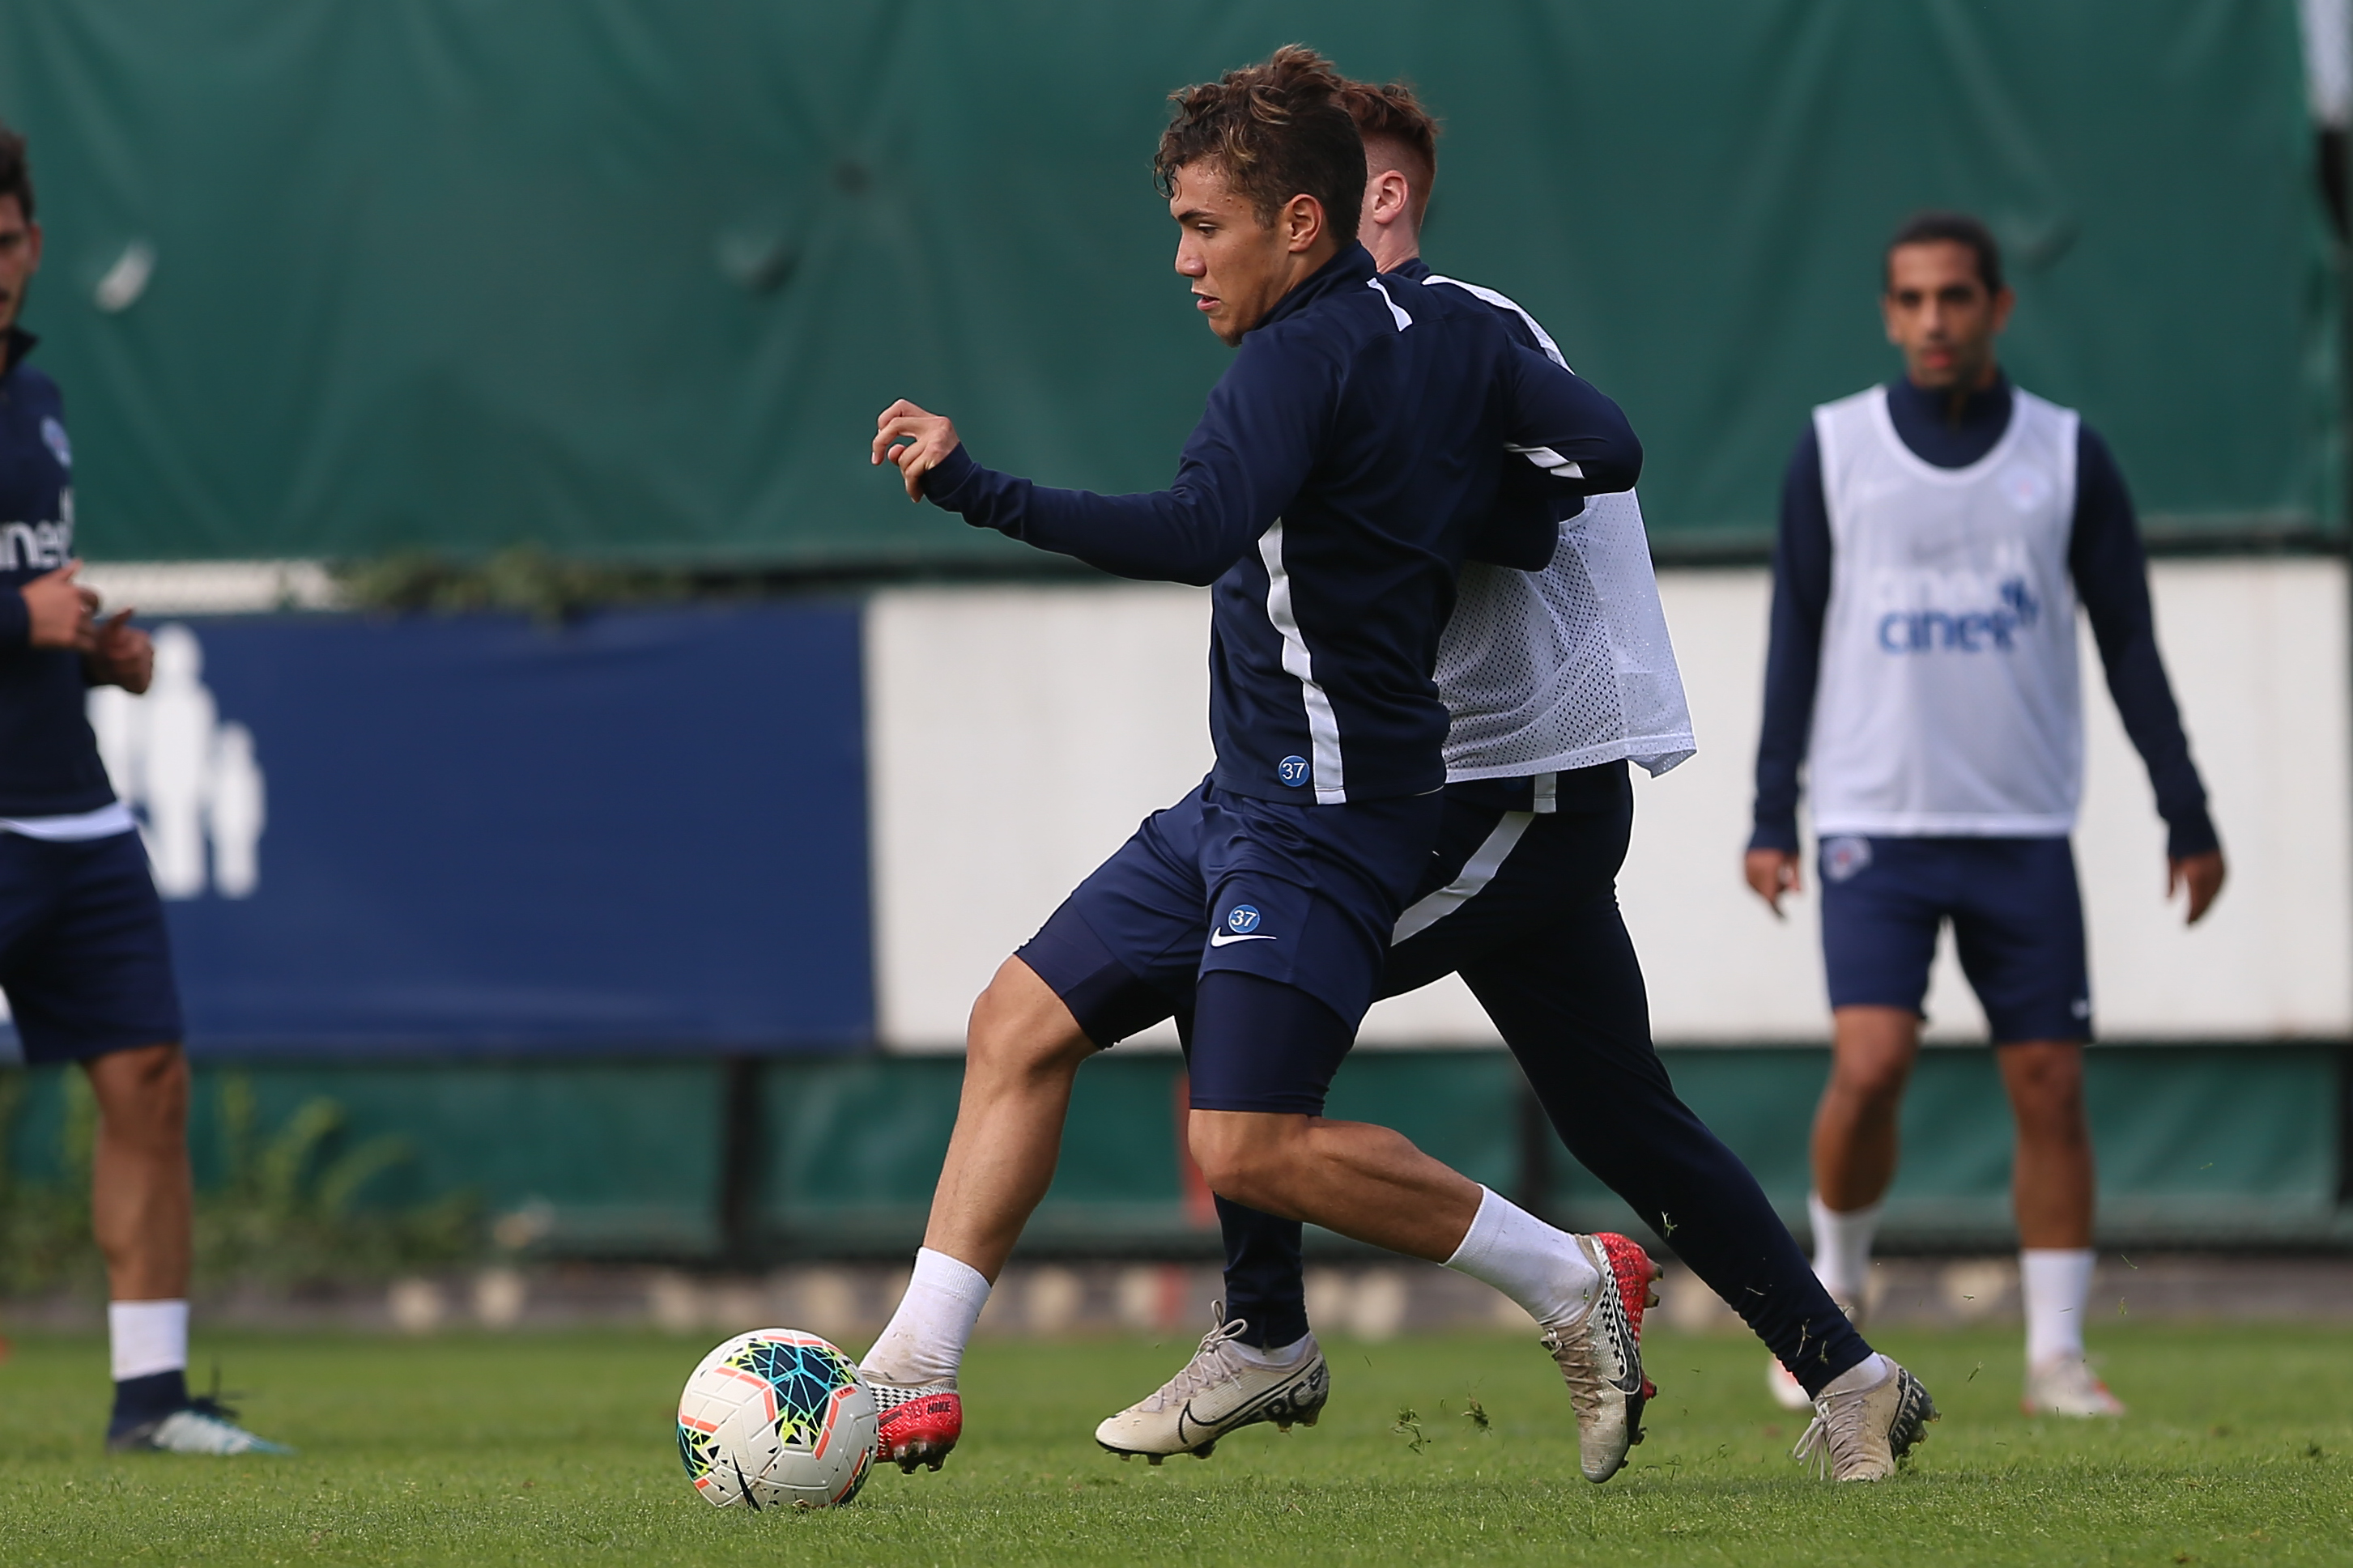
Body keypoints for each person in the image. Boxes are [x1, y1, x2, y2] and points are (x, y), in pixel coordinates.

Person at [1090, 76, 1937, 1486]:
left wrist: (1453, 502)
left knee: (1230, 978)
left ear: (1372, 199)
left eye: (1318, 186)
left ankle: (1263, 1327)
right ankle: (1852, 1378)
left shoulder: (1455, 327)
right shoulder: (1340, 352)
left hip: (1509, 785)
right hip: (1467, 790)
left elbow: (1580, 469)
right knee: (1619, 1116)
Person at [865, 46, 1658, 1485]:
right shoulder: (1444, 330)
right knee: (1016, 1021)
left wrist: (974, 486)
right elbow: (1602, 449)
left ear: (1300, 222)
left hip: (1329, 819)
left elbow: (1191, 533)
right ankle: (912, 1367)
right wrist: (1461, 498)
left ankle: (1568, 1278)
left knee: (1246, 1143)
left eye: (1202, 226)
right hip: (1242, 797)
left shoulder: (1290, 365)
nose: (1181, 259)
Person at [1745, 210, 2226, 1419]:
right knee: (1870, 1065)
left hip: (2019, 827)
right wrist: (1770, 810)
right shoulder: (1837, 449)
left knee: (2049, 1082)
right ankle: (1828, 1303)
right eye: (1910, 299)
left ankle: (2055, 1353)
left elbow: (2128, 642)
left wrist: (2185, 809)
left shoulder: (2066, 454)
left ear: (1997, 308)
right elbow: (1794, 634)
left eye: (1954, 297)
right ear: (1886, 313)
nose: (1933, 320)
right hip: (1875, 820)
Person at [0, 123, 283, 1455]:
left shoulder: (39, 400)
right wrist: (20, 619)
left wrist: (94, 648)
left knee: (150, 1078)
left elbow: (35, 596)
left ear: (33, 245)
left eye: (3, 242)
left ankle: (152, 1398)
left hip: (74, 804)